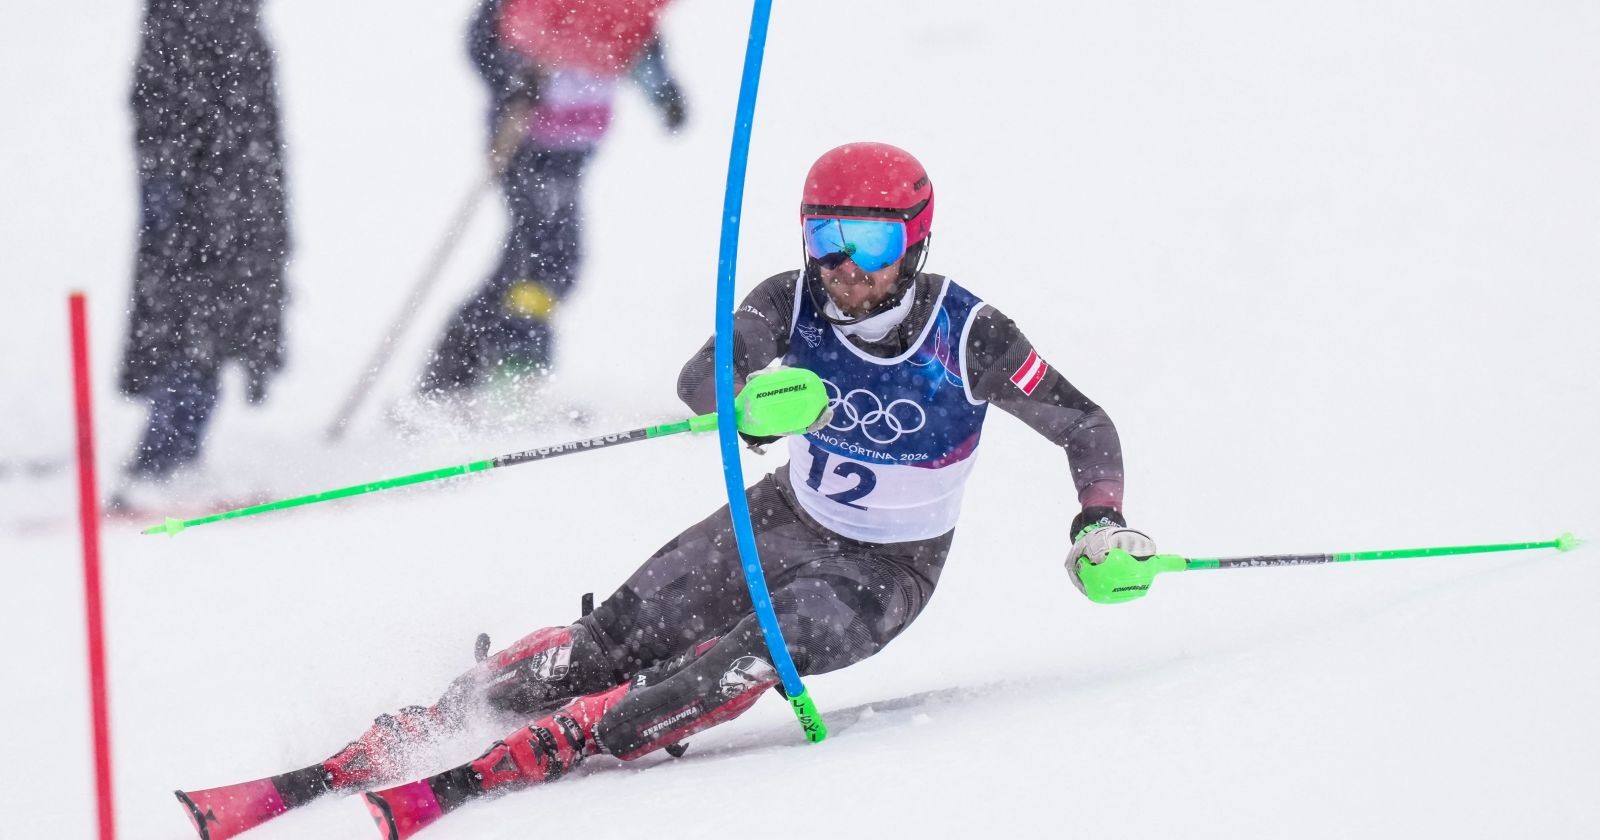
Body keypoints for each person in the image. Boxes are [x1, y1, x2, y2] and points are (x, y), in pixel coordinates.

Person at [175, 143, 1158, 839]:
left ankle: (581, 738)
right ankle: (452, 716)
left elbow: (1084, 423)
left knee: (744, 654)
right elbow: (703, 378)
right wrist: (746, 402)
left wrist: (1101, 521)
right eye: (824, 236)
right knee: (605, 643)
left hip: (884, 573)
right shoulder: (789, 301)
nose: (841, 267)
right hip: (784, 518)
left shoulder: (967, 334)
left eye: (867, 244)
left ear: (915, 240)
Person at [416, 0, 688, 399]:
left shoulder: (625, 10)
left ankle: (456, 369)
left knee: (536, 255)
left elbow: (640, 46)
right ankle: (514, 368)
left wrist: (664, 95)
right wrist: (514, 77)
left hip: (575, 146)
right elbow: (483, 39)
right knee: (550, 256)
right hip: (526, 143)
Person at [114, 0, 290, 507]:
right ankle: (159, 467)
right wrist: (165, 177)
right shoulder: (188, 16)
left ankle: (176, 460)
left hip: (237, 203)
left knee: (212, 336)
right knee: (193, 336)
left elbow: (252, 115)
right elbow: (157, 101)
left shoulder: (234, 18)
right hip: (202, 211)